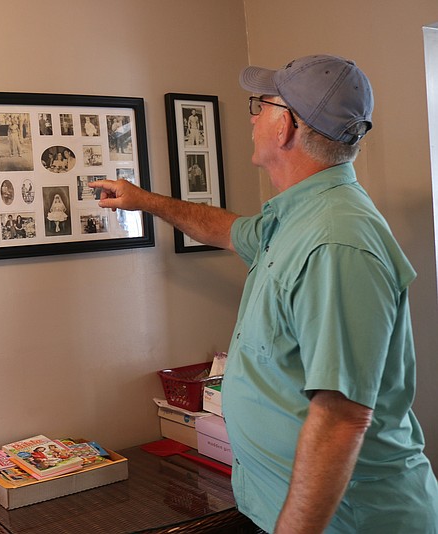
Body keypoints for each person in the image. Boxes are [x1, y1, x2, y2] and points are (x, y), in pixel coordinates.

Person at [90, 54, 438, 533]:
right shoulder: (297, 216)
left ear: (287, 127)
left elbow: (340, 421)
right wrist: (143, 201)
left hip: (351, 523)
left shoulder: (336, 243)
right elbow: (230, 230)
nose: (253, 117)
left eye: (262, 105)